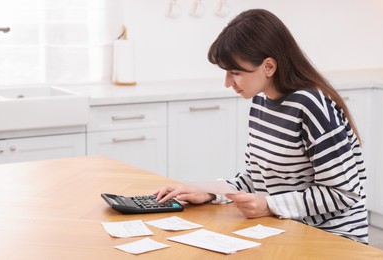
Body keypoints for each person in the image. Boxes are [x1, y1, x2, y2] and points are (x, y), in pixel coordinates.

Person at [154, 9, 368, 244]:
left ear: (268, 66)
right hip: (287, 230)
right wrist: (210, 192)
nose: (227, 83)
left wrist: (269, 205)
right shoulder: (261, 101)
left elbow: (343, 193)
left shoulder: (311, 105)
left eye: (235, 72)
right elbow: (259, 178)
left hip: (333, 239)